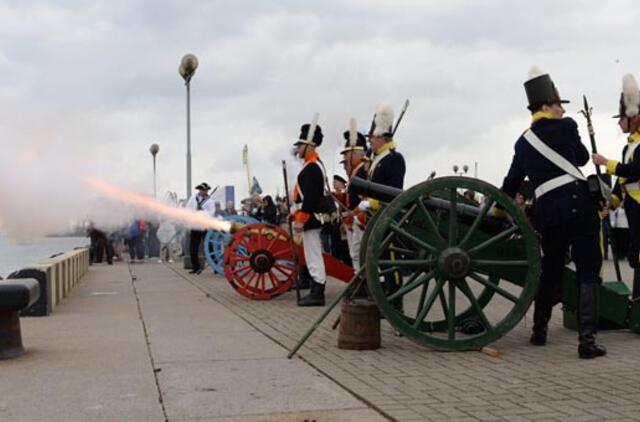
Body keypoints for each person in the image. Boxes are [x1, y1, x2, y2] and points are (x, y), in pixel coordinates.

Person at [500, 67, 605, 359]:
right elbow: (583, 159)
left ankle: (539, 331)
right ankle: (587, 341)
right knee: (588, 269)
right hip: (579, 205)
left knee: (551, 270)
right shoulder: (567, 127)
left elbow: (510, 183)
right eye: (559, 104)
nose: (562, 109)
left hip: (549, 213)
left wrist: (497, 207)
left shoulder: (522, 142)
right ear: (546, 106)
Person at [592, 73, 640, 299]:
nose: (619, 123)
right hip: (633, 206)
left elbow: (634, 171)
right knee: (635, 255)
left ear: (634, 117)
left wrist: (606, 163)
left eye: (621, 118)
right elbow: (623, 184)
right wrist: (610, 204)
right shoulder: (628, 148)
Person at [360, 103, 406, 309]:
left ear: (381, 137)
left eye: (372, 137)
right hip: (377, 218)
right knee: (382, 260)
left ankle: (396, 301)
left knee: (391, 262)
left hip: (389, 217)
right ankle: (387, 296)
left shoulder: (394, 159)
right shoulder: (379, 158)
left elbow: (393, 191)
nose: (370, 140)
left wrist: (372, 202)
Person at [292, 122, 332, 306]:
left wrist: (300, 219)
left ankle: (318, 292)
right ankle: (316, 289)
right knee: (312, 253)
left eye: (300, 145)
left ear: (309, 146)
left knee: (314, 254)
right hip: (310, 217)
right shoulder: (311, 166)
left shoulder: (312, 167)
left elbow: (310, 198)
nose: (297, 148)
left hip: (311, 218)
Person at [341, 122, 369, 270]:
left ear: (354, 154)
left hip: (362, 218)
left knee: (360, 253)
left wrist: (354, 214)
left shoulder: (362, 172)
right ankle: (361, 281)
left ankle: (365, 282)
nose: (345, 157)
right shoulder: (356, 172)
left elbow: (364, 199)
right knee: (356, 253)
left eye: (347, 154)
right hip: (355, 219)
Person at [185, 182, 215, 274]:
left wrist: (203, 211)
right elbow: (188, 209)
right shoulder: (193, 199)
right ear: (199, 190)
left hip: (204, 225)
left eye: (205, 190)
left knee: (209, 247)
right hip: (195, 225)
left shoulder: (210, 201)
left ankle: (215, 267)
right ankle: (196, 267)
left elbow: (212, 213)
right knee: (193, 247)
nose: (204, 191)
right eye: (202, 190)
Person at [330, 174, 352, 266]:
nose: (333, 184)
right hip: (336, 223)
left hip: (344, 223)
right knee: (335, 247)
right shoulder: (334, 195)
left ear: (342, 183)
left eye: (335, 182)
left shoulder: (343, 193)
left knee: (345, 248)